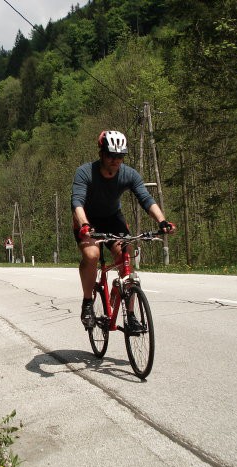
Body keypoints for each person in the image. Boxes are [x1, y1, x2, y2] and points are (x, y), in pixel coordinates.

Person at [71, 130, 176, 330]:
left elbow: (146, 199)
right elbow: (77, 201)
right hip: (86, 218)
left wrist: (162, 221)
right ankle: (87, 303)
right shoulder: (85, 172)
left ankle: (130, 315)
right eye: (111, 155)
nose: (115, 160)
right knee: (92, 255)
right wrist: (84, 224)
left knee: (125, 258)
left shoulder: (129, 174)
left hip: (112, 219)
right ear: (101, 153)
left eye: (120, 156)